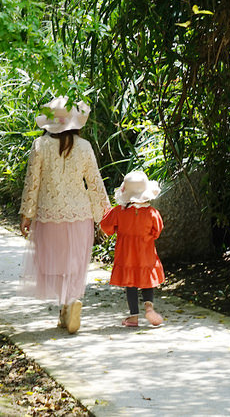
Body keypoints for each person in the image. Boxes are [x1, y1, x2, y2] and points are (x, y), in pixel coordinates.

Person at [19, 96, 109, 334]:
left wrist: (27, 214)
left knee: (55, 263)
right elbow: (95, 183)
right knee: (75, 263)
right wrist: (104, 216)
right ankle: (71, 302)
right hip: (80, 214)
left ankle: (64, 309)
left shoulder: (40, 146)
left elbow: (32, 183)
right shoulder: (85, 147)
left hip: (49, 215)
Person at [100, 170, 165, 328]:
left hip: (126, 254)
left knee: (131, 284)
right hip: (146, 253)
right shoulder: (152, 213)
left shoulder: (118, 212)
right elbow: (157, 231)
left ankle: (133, 317)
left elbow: (106, 227)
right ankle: (149, 307)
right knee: (147, 280)